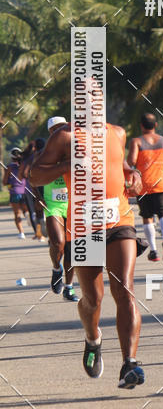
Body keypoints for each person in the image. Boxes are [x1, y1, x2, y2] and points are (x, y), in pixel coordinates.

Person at [30, 106, 146, 389]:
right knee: (93, 298)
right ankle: (93, 338)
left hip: (119, 219)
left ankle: (129, 364)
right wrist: (65, 167)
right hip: (83, 226)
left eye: (95, 97)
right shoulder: (64, 137)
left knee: (125, 290)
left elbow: (124, 167)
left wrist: (135, 177)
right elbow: (34, 175)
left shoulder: (116, 132)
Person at [127, 113, 163, 263]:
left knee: (147, 217)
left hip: (144, 187)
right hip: (162, 184)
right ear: (155, 125)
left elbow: (131, 161)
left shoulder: (137, 141)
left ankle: (153, 250)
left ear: (141, 126)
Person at [41, 116, 77, 301]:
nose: (60, 132)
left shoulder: (77, 150)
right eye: (55, 129)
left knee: (72, 249)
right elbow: (31, 175)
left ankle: (69, 287)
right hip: (53, 204)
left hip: (74, 205)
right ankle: (57, 268)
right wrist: (38, 199)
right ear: (50, 133)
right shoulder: (46, 153)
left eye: (62, 128)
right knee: (58, 243)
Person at [19, 140, 46, 241]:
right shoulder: (47, 155)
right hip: (45, 186)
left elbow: (24, 174)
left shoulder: (29, 159)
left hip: (30, 189)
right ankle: (45, 231)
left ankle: (39, 233)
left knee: (34, 212)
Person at [3, 147, 27, 239]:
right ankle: (29, 216)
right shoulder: (25, 165)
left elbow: (4, 182)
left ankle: (21, 233)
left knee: (17, 214)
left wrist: (8, 182)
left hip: (15, 192)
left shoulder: (9, 167)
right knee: (27, 211)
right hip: (25, 191)